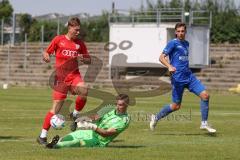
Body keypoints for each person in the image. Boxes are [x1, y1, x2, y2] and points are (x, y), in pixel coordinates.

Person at [150, 22, 216, 133]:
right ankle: (156, 117)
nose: (180, 33)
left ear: (185, 32)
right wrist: (169, 66)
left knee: (205, 96)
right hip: (178, 79)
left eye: (182, 31)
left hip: (189, 76)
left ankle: (204, 123)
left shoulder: (186, 43)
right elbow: (161, 58)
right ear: (176, 32)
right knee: (176, 106)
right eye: (179, 31)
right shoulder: (173, 43)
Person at [37, 17, 91, 145]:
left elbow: (89, 60)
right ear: (70, 27)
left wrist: (83, 58)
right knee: (56, 108)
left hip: (74, 75)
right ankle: (42, 136)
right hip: (60, 78)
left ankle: (75, 114)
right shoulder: (58, 40)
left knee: (84, 89)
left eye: (79, 30)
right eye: (76, 30)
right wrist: (46, 56)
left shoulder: (80, 44)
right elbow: (47, 52)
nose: (78, 32)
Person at [45, 94, 130, 148]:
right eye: (117, 104)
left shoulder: (124, 120)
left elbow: (106, 134)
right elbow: (95, 117)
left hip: (99, 141)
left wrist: (91, 126)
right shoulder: (109, 108)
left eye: (121, 105)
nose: (118, 107)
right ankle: (51, 143)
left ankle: (55, 145)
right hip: (90, 132)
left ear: (127, 105)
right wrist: (81, 118)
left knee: (77, 142)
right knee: (71, 136)